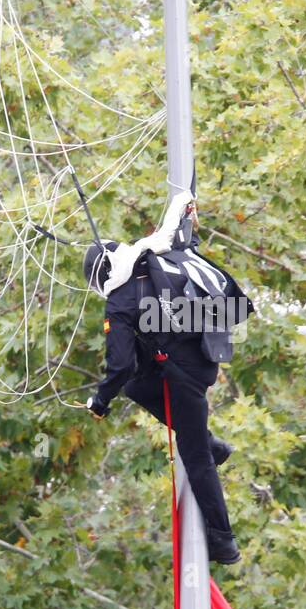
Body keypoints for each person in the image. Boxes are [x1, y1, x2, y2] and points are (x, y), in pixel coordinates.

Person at [84, 237, 252, 564]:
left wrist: (100, 402)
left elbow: (118, 367)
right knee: (136, 384)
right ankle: (210, 443)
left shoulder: (119, 298)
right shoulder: (155, 259)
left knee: (195, 455)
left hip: (185, 372)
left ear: (102, 274)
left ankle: (223, 540)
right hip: (205, 351)